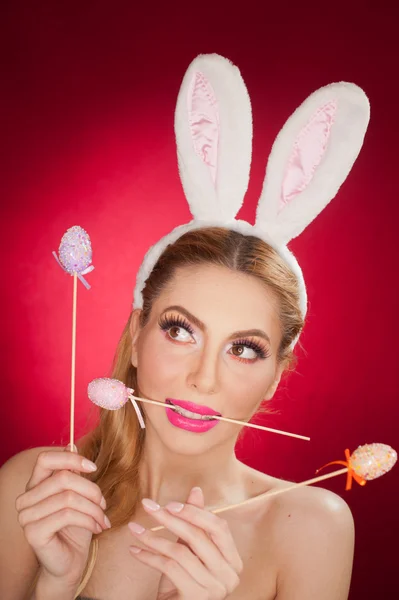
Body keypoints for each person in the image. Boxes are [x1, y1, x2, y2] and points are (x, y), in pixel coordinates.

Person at [0, 54, 369, 600]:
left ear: (273, 377)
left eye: (243, 349)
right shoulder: (38, 487)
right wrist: (54, 585)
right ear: (137, 334)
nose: (203, 378)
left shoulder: (311, 526)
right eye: (180, 331)